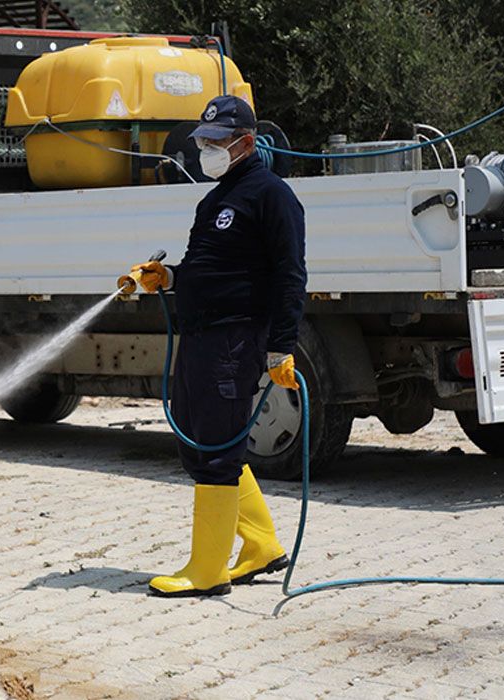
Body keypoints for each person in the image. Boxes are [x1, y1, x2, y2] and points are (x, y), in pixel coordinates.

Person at [127, 95, 307, 597]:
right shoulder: (216, 198)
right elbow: (212, 269)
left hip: (234, 337)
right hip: (202, 335)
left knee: (215, 450)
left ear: (245, 143)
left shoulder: (272, 196)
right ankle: (261, 545)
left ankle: (206, 571)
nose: (204, 148)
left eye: (215, 141)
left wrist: (280, 347)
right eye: (203, 140)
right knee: (200, 440)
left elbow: (291, 276)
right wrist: (170, 277)